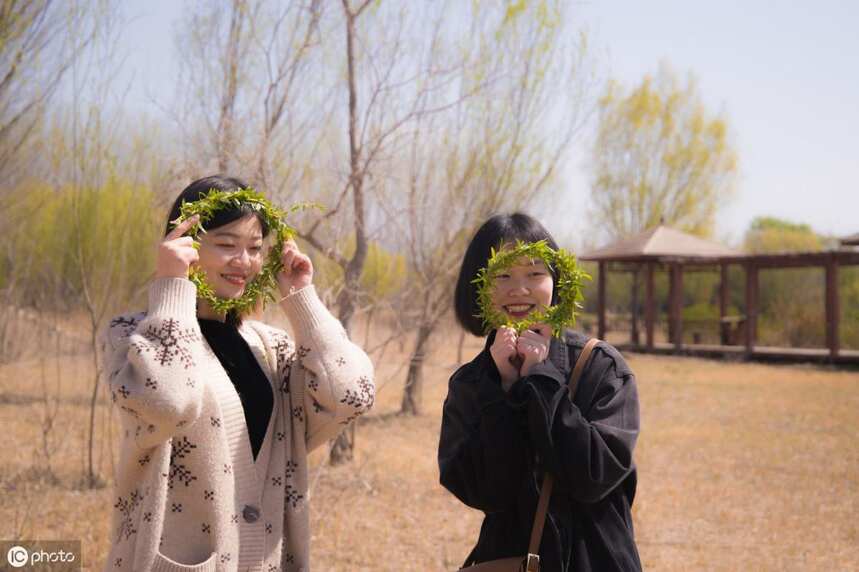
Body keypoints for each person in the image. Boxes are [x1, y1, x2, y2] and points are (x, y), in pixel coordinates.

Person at [101, 175, 374, 572]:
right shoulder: (132, 335)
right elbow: (168, 404)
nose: (244, 261)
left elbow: (353, 395)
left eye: (255, 248)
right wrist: (173, 286)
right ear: (184, 243)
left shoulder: (271, 347)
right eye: (227, 245)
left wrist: (301, 298)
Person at [438, 213, 641, 571]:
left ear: (557, 281)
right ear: (478, 286)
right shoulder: (471, 383)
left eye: (535, 273)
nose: (519, 289)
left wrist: (542, 379)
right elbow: (485, 492)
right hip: (510, 560)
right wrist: (500, 389)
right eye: (502, 275)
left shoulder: (600, 367)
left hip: (596, 559)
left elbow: (594, 476)